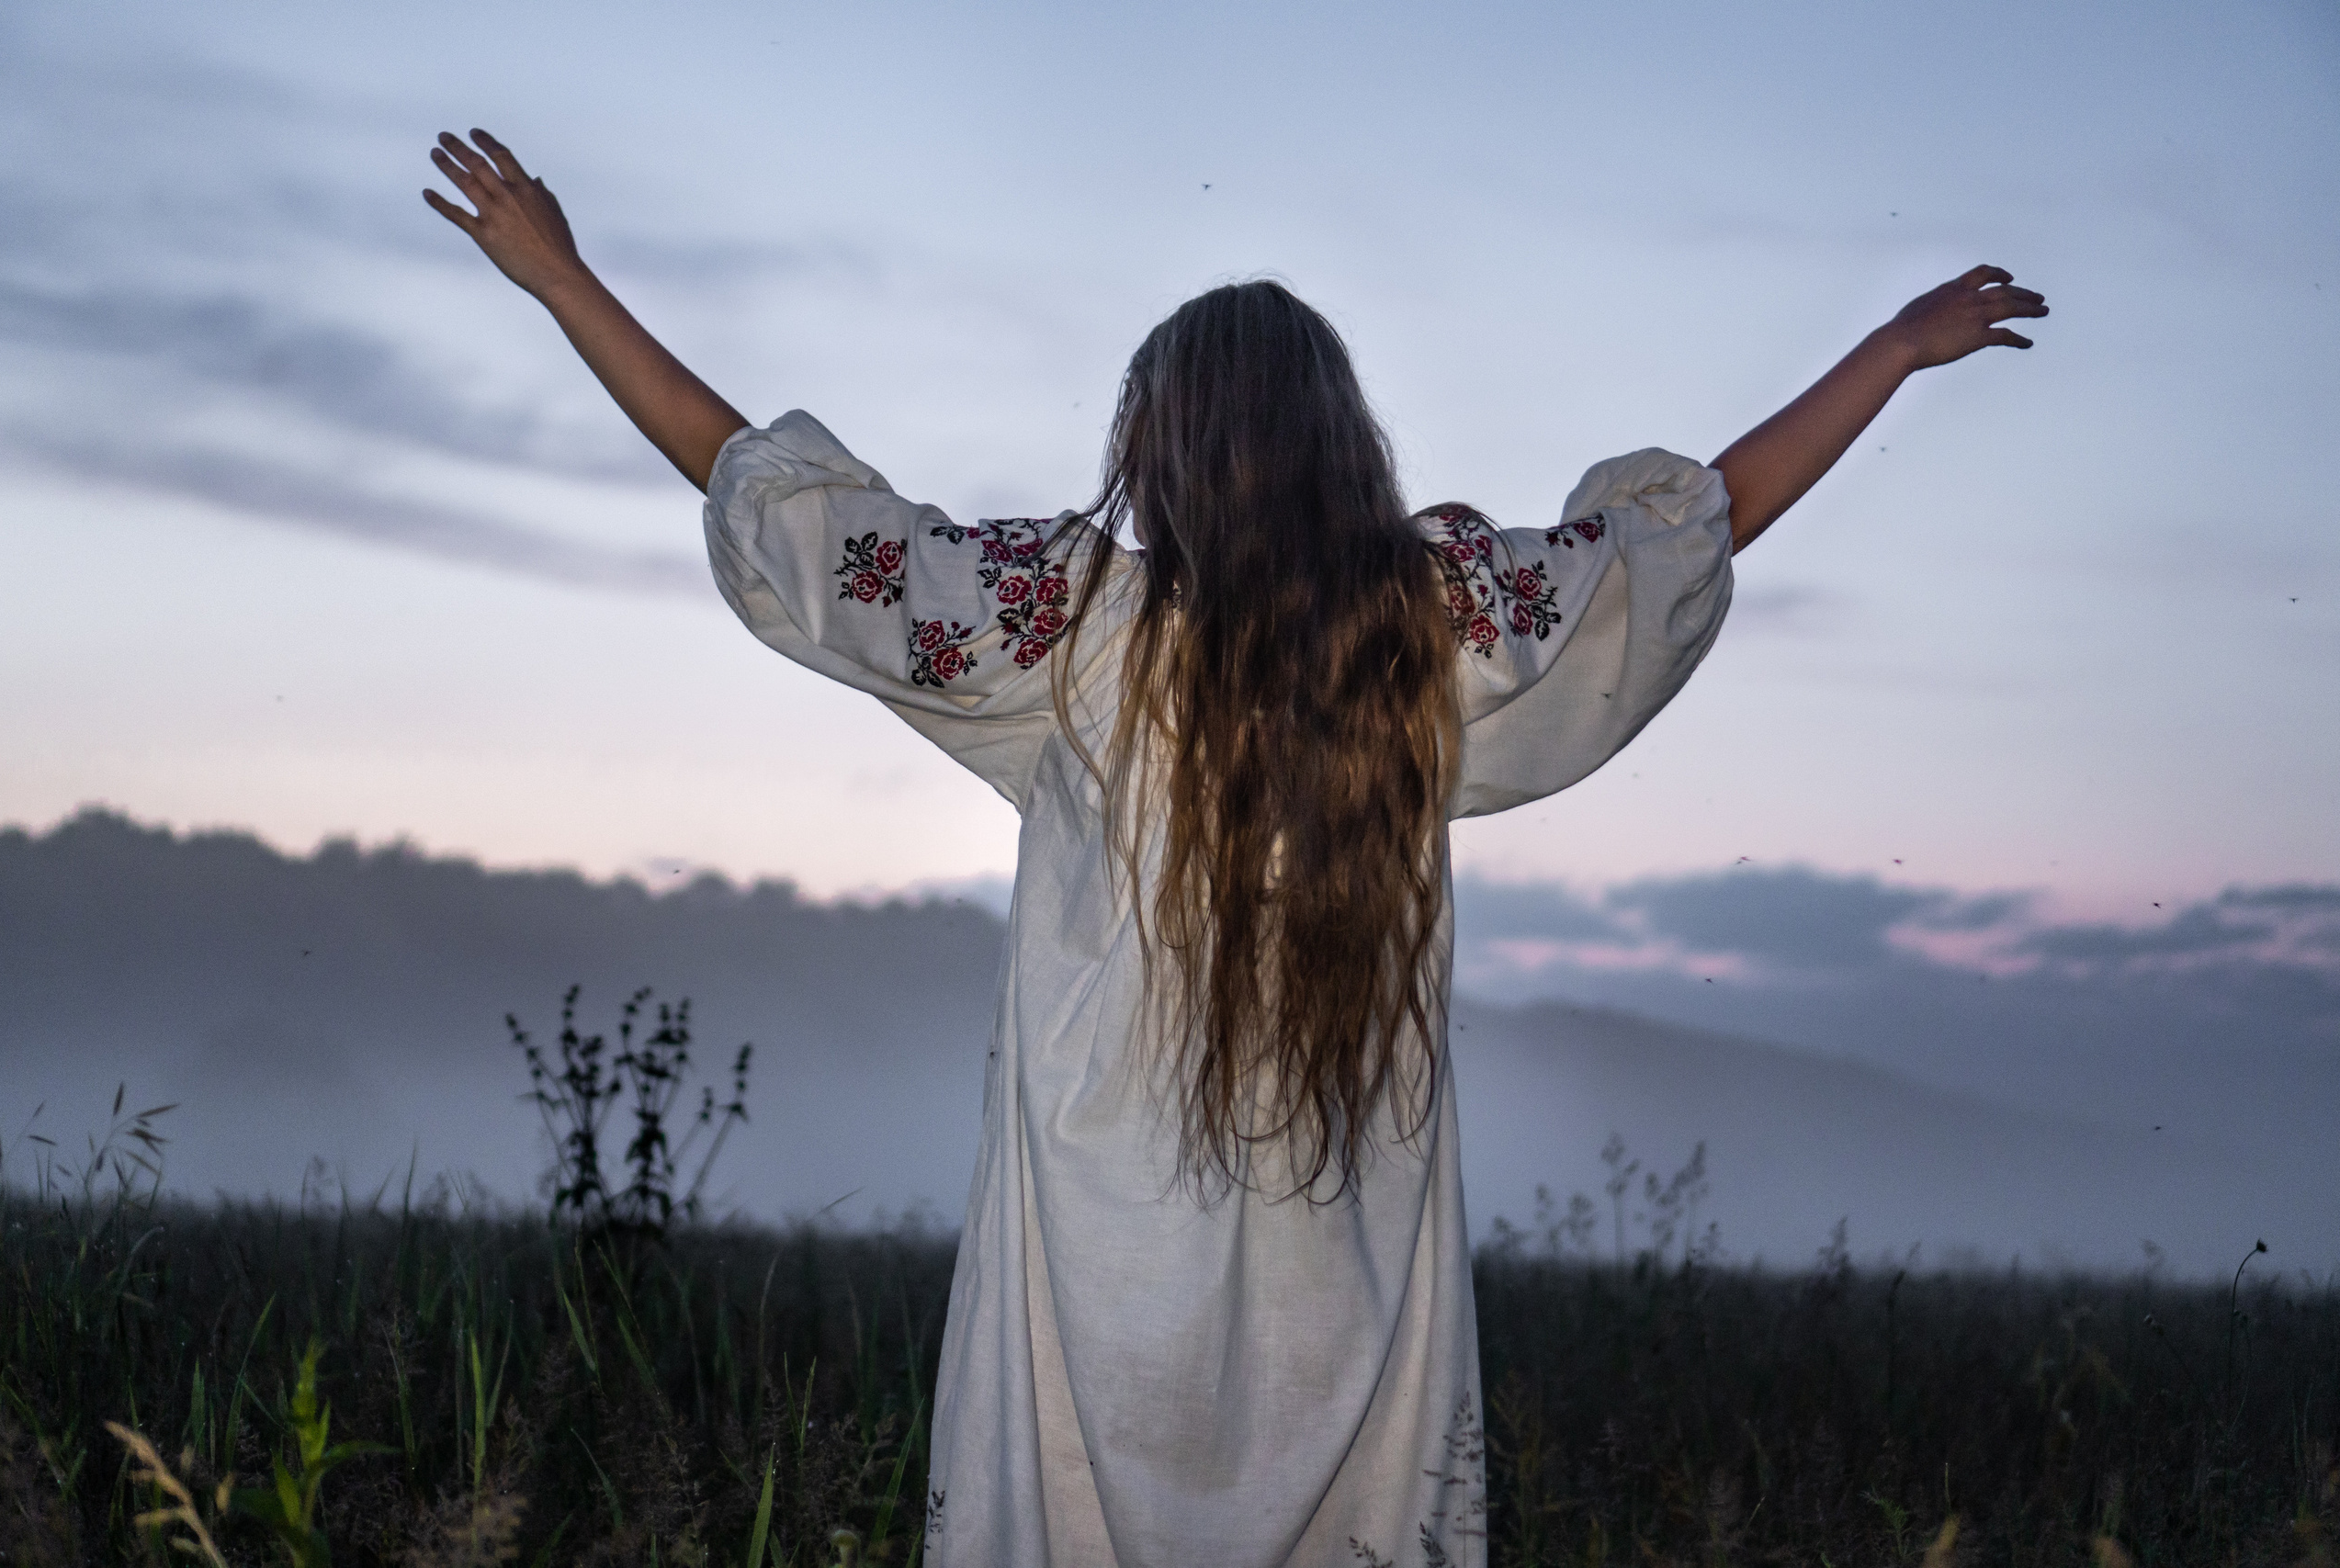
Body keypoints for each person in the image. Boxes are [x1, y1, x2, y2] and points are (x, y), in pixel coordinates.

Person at [424, 128, 2046, 1567]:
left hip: (1091, 1255)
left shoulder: (1068, 628)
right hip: (1351, 1254)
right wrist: (1888, 352)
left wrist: (563, 281)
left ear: (1162, 449)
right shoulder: (1437, 637)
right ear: (1343, 441)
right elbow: (1688, 530)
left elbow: (778, 507)